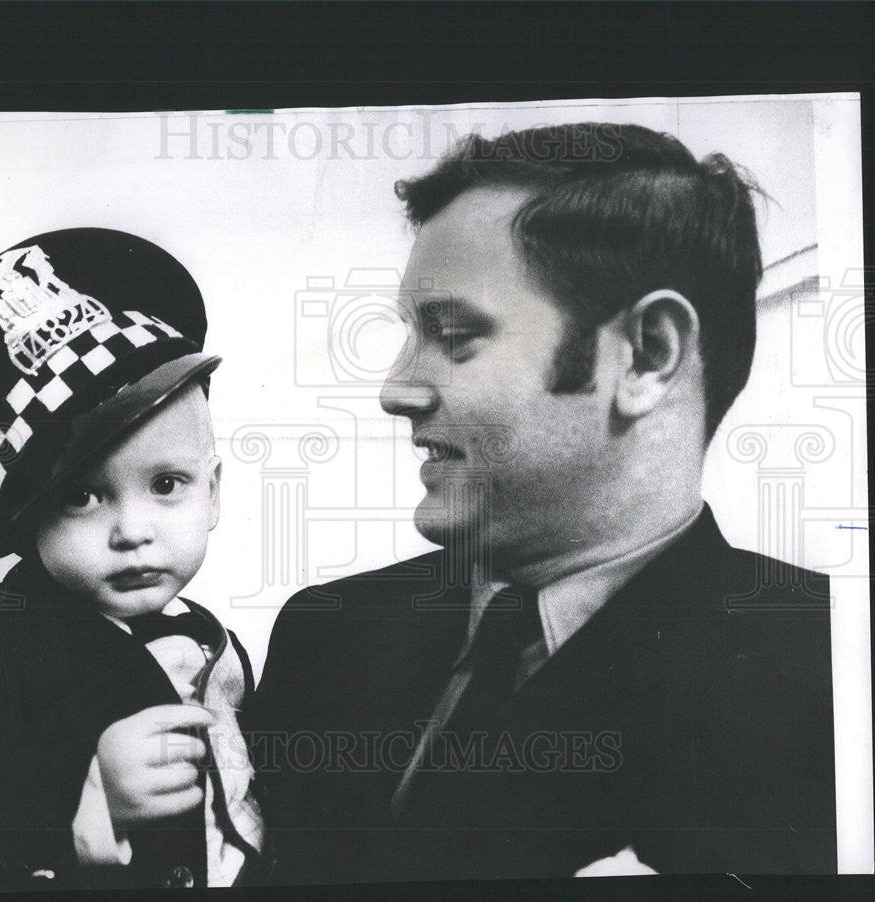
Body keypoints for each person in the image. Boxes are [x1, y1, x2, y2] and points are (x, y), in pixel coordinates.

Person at [248, 124, 837, 881]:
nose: (394, 389)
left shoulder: (829, 682)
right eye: (409, 334)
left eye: (454, 335)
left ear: (648, 354)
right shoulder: (325, 636)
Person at [0, 229, 268, 892]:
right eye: (81, 496)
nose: (131, 531)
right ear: (23, 518)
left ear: (214, 493)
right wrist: (81, 803)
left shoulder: (217, 640)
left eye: (166, 484)